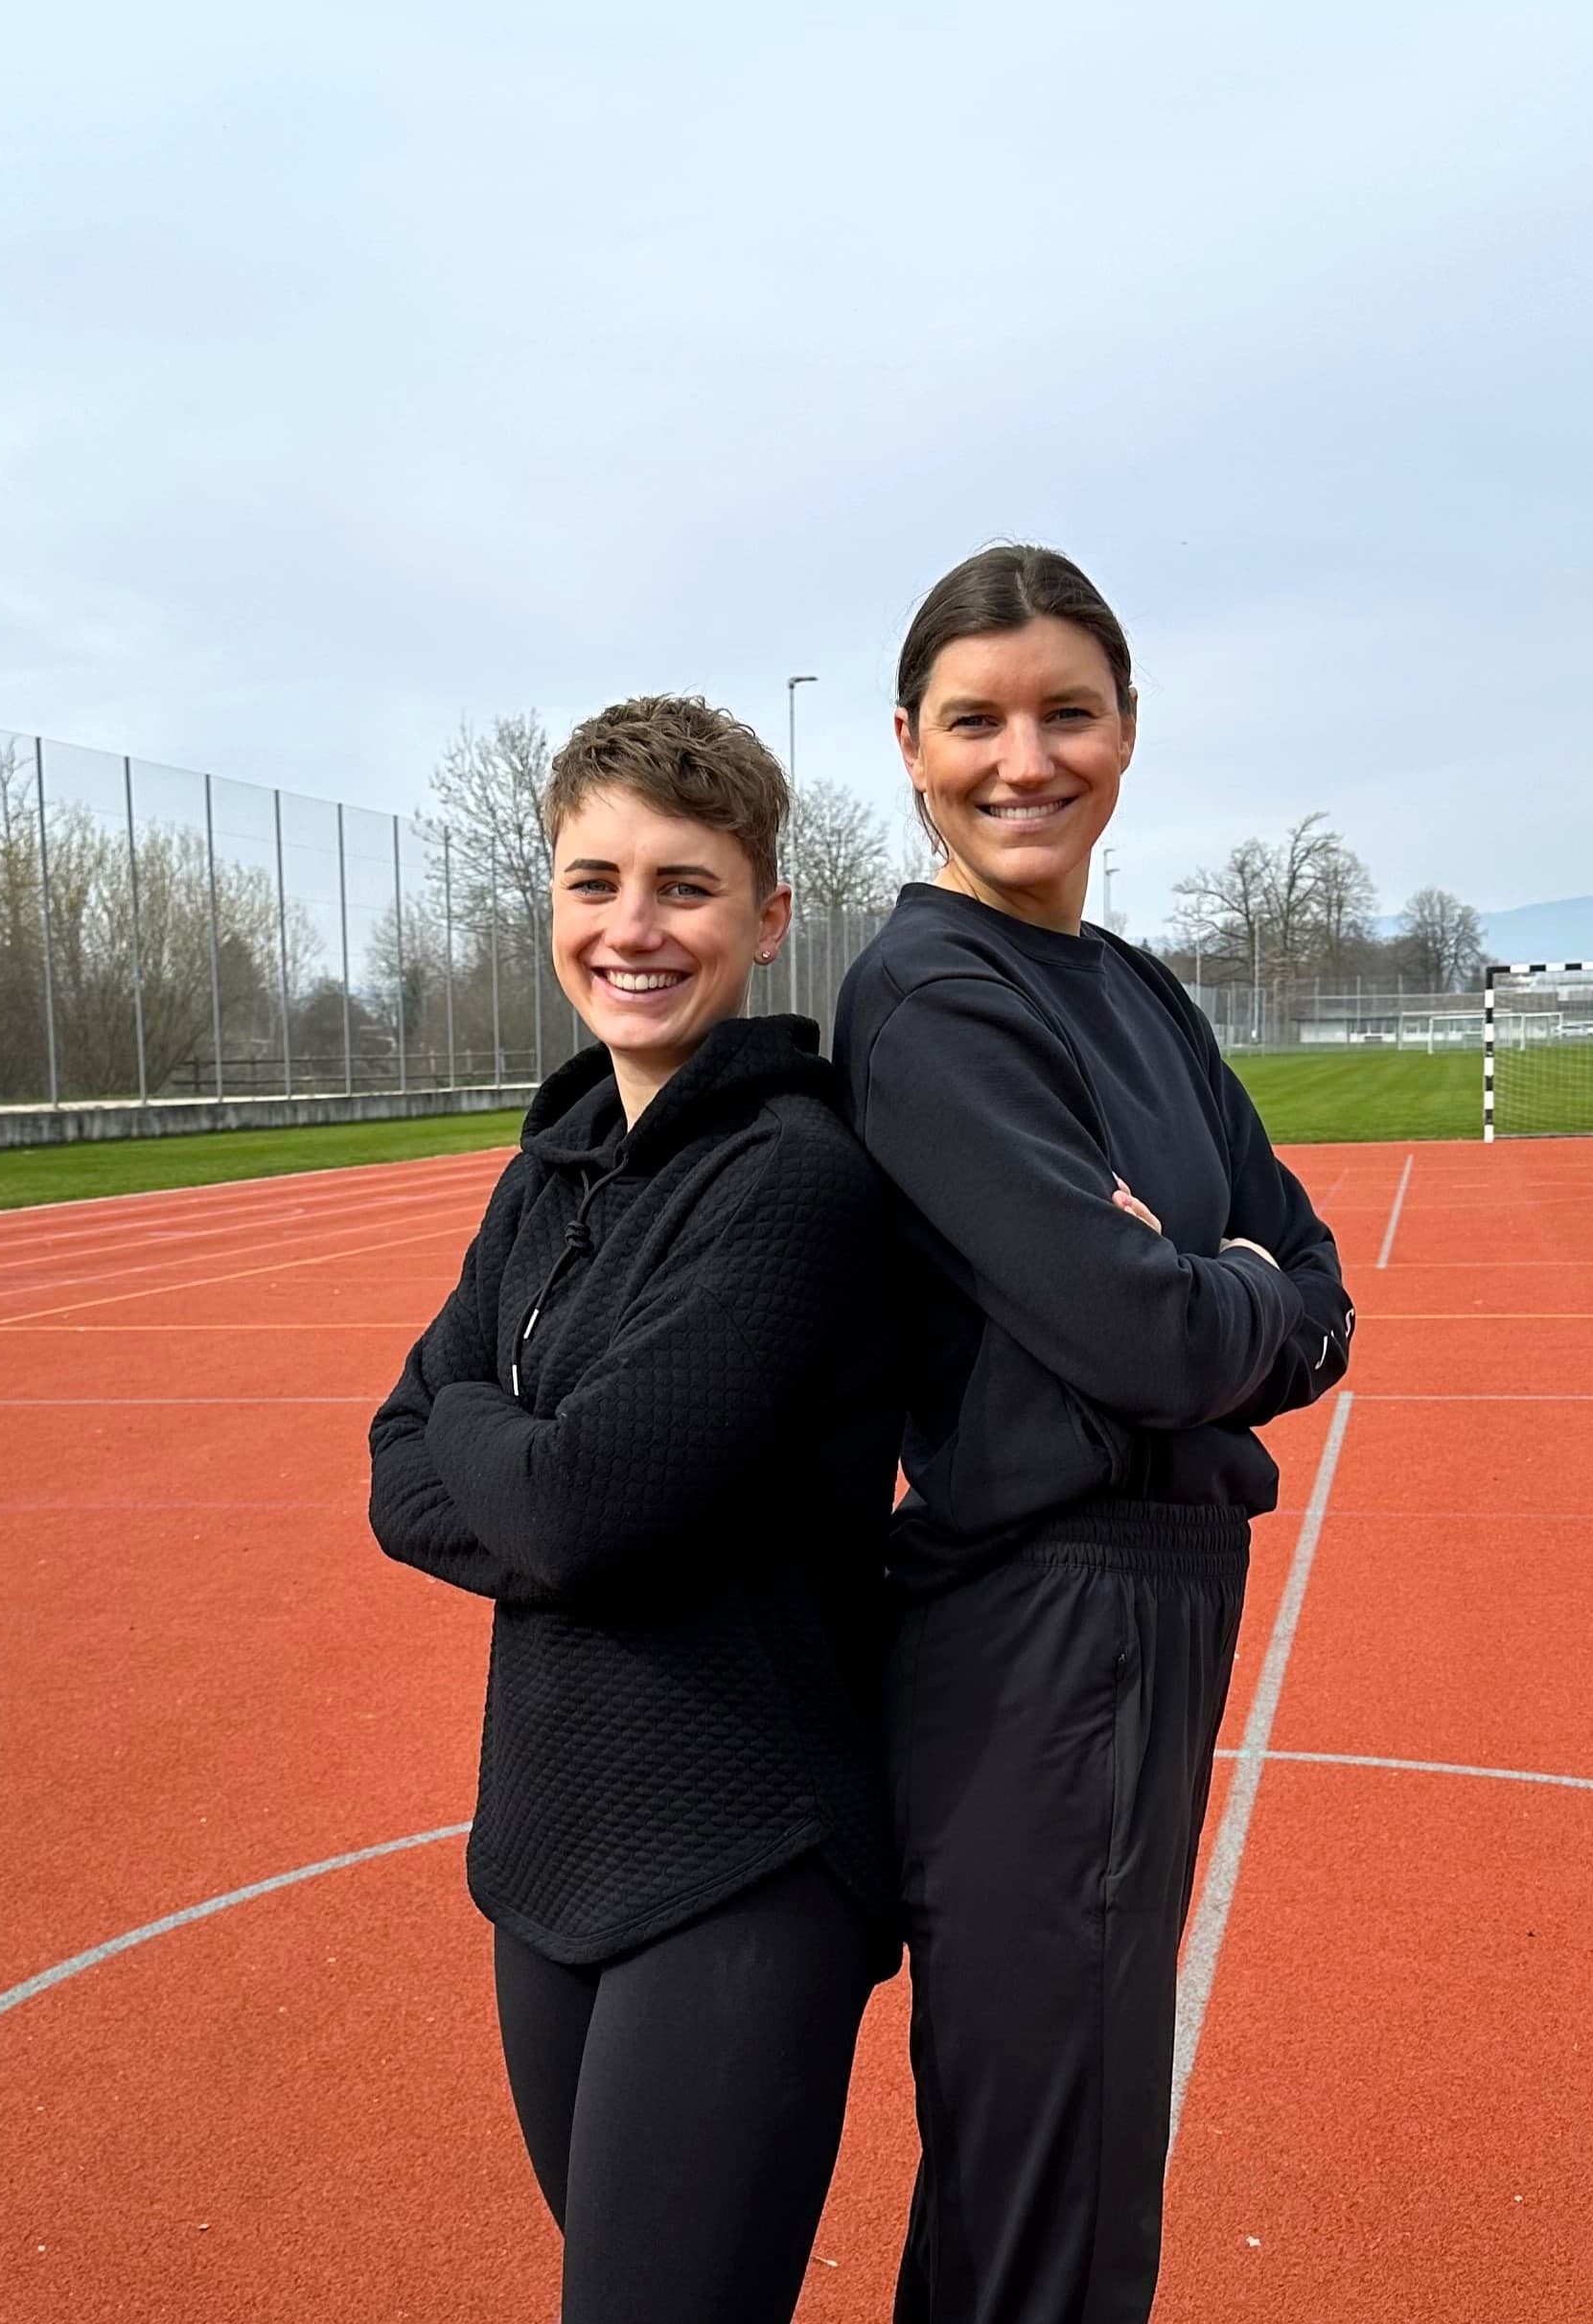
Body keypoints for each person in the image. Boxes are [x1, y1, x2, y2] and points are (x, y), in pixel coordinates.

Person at [834, 546, 1354, 2324]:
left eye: (1067, 712)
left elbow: (1308, 1274)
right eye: (975, 721)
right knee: (1050, 2185)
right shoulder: (931, 1001)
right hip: (1041, 1621)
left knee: (1047, 2167)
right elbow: (1146, 1332)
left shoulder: (1135, 990)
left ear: (1129, 732)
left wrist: (1228, 1295)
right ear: (909, 746)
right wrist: (1214, 1296)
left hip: (1151, 1602)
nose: (1022, 758)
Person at [368, 695, 899, 2324]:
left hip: (741, 1850)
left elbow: (577, 1512)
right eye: (595, 882)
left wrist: (495, 1432)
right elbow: (398, 1476)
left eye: (684, 885)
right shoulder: (549, 1169)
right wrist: (512, 1460)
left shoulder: (797, 1179)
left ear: (769, 915)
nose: (634, 928)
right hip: (546, 1843)